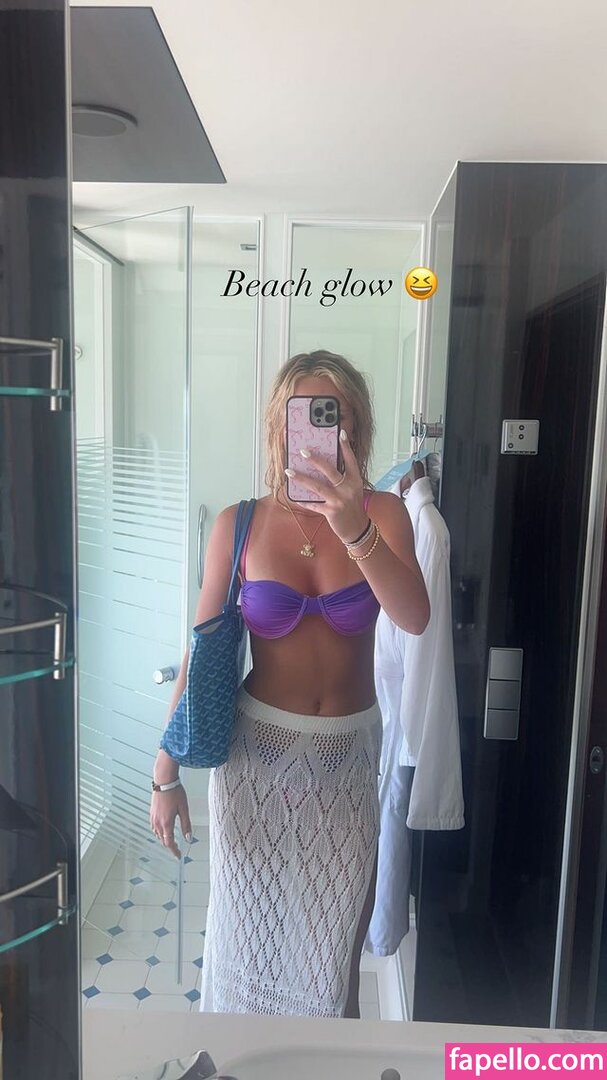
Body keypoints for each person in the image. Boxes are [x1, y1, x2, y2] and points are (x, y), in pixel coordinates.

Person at [150, 350, 430, 1018]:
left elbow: (414, 617)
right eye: (300, 413)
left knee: (331, 964)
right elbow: (200, 650)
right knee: (245, 944)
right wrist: (164, 774)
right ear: (278, 425)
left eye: (332, 414)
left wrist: (353, 529)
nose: (316, 429)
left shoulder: (385, 514)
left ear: (355, 427)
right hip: (255, 764)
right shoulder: (239, 523)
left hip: (345, 764)